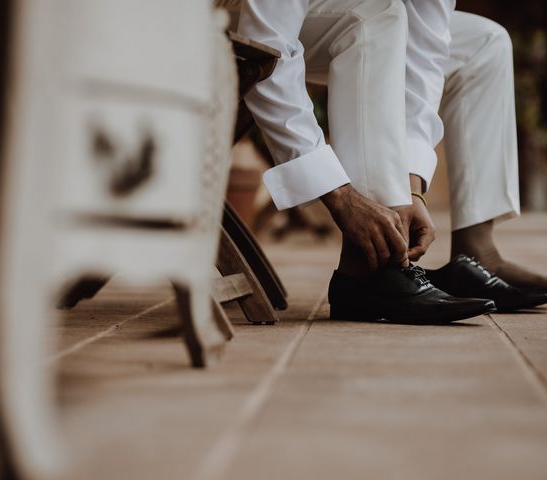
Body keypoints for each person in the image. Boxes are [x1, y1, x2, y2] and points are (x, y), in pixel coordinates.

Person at [225, 0, 547, 322]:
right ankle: (366, 269)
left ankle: (478, 248)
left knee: (484, 43)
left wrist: (411, 187)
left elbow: (424, 56)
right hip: (218, 19)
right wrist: (340, 195)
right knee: (373, 13)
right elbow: (267, 49)